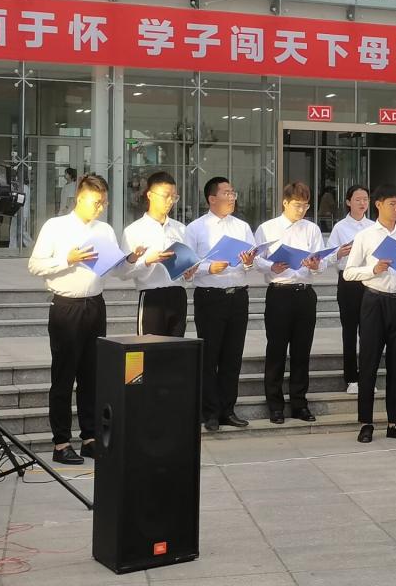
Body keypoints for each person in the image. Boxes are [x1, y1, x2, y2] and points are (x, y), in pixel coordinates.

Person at [28, 173, 146, 465]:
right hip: (66, 307)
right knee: (64, 376)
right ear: (79, 198)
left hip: (95, 305)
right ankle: (61, 442)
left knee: (92, 375)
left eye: (104, 202)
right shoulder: (56, 226)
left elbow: (116, 271)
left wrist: (130, 260)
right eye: (96, 202)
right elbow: (35, 266)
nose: (100, 208)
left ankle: (90, 437)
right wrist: (67, 259)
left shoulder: (104, 230)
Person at [344, 184, 396, 443]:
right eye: (392, 203)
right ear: (378, 204)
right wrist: (373, 269)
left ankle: (394, 422)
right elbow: (348, 272)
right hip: (374, 301)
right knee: (368, 363)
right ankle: (366, 423)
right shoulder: (365, 235)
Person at [185, 176, 257, 432]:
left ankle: (228, 409)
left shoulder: (242, 227)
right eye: (226, 193)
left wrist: (248, 262)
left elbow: (252, 261)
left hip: (238, 296)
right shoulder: (195, 228)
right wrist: (209, 268)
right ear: (212, 198)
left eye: (233, 192)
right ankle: (210, 412)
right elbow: (187, 264)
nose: (232, 197)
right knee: (210, 356)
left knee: (232, 356)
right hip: (210, 297)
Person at [255, 181, 326, 424]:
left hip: (304, 293)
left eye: (306, 205)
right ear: (285, 202)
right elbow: (256, 259)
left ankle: (299, 403)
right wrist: (271, 266)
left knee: (301, 351)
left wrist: (315, 265)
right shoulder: (267, 228)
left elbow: (322, 263)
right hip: (280, 293)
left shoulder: (312, 229)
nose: (301, 210)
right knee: (276, 349)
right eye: (297, 205)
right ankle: (275, 405)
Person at [121, 171, 193, 337]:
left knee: (177, 347)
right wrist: (147, 261)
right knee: (150, 347)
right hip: (152, 297)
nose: (170, 201)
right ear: (150, 195)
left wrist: (189, 274)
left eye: (174, 197)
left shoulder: (180, 229)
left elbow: (187, 264)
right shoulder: (134, 230)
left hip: (178, 295)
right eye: (166, 196)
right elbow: (123, 272)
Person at [327, 184, 373, 394]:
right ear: (348, 202)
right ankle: (351, 378)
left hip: (370, 280)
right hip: (348, 282)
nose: (362, 203)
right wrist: (340, 253)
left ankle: (367, 377)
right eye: (357, 199)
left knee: (369, 332)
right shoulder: (340, 228)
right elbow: (329, 256)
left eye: (365, 199)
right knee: (350, 331)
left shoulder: (373, 227)